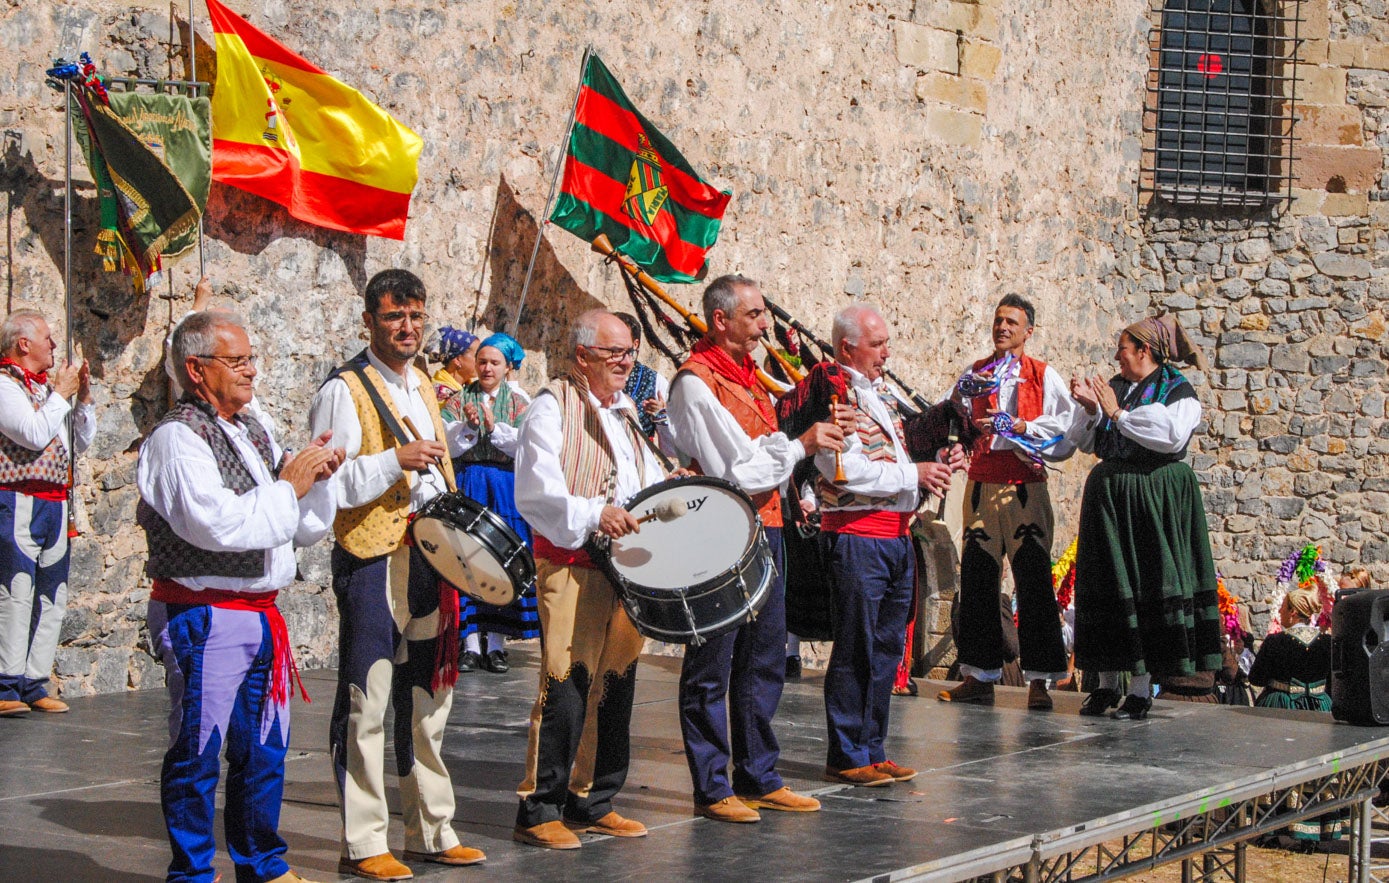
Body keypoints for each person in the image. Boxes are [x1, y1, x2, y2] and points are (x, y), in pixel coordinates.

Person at [138, 308, 343, 883]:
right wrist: (289, 486)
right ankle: (194, 872)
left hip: (258, 615)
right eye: (238, 360)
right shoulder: (178, 439)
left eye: (252, 358)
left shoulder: (251, 428)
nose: (252, 370)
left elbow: (293, 525)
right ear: (196, 369)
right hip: (205, 612)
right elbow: (217, 526)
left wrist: (314, 481)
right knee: (198, 752)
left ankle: (262, 864)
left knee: (263, 751)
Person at [309, 270, 483, 880]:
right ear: (369, 321)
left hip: (430, 555)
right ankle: (363, 842)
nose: (407, 328)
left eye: (415, 316)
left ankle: (432, 830)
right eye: (393, 317)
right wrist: (393, 460)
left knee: (429, 700)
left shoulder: (424, 387)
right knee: (368, 699)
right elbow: (327, 488)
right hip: (374, 556)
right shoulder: (343, 389)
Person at [666, 275, 844, 822]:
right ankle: (712, 783)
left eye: (763, 314)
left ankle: (759, 774)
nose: (765, 325)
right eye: (754, 315)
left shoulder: (747, 380)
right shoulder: (697, 383)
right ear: (720, 321)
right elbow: (736, 469)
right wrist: (800, 443)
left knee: (764, 656)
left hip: (763, 528)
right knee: (712, 662)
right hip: (718, 530)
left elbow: (764, 454)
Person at [511, 310, 668, 850]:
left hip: (628, 567)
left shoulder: (626, 413)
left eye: (630, 353)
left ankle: (593, 798)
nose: (627, 363)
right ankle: (540, 805)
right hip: (573, 562)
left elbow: (641, 481)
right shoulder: (550, 408)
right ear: (583, 357)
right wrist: (593, 513)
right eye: (614, 354)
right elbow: (536, 494)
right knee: (566, 683)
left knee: (614, 686)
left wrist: (673, 485)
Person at [815, 304, 959, 786]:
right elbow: (843, 469)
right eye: (876, 344)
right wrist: (912, 472)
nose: (886, 353)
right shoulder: (831, 394)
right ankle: (847, 752)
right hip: (858, 536)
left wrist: (935, 460)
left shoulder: (883, 396)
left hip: (895, 537)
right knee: (856, 647)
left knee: (885, 649)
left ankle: (873, 746)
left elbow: (895, 460)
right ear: (846, 348)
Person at [1068, 314, 1223, 721]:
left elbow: (1169, 436)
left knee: (1144, 584)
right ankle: (1103, 685)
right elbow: (1084, 440)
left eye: (1123, 348)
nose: (1117, 357)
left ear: (1144, 351)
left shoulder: (1178, 391)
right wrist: (1091, 410)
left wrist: (1116, 414)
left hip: (1153, 498)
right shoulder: (1115, 389)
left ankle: (1139, 690)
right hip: (1110, 497)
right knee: (1106, 583)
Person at [939, 294, 1077, 710]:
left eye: (1012, 322)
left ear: (1028, 331)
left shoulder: (1041, 375)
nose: (1002, 328)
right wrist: (958, 437)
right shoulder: (975, 373)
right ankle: (979, 676)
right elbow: (952, 414)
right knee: (979, 579)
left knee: (1032, 579)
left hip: (1023, 487)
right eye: (999, 321)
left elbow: (1065, 426)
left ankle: (1040, 681)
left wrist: (1021, 426)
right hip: (981, 485)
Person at [0, 309, 93, 717]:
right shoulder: (5, 387)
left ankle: (35, 681)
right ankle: (6, 683)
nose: (54, 345)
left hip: (55, 503)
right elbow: (33, 434)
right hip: (19, 499)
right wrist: (60, 394)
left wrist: (82, 399)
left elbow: (78, 442)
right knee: (17, 591)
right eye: (47, 338)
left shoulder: (45, 391)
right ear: (23, 344)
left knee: (52, 594)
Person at [441, 336, 537, 673]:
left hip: (503, 486)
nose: (486, 368)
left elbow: (524, 445)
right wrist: (467, 426)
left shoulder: (519, 402)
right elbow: (447, 444)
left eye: (494, 362)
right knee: (467, 558)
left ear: (507, 367)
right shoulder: (458, 399)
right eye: (482, 361)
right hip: (471, 483)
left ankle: (496, 644)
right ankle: (469, 643)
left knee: (501, 561)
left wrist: (494, 427)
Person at [1250, 588, 1332, 712]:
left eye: (1283, 607)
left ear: (1293, 612)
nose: (1279, 611)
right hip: (1319, 704)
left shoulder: (1275, 641)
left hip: (1281, 705)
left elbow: (1256, 678)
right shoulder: (1328, 642)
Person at [615, 311, 679, 455]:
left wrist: (661, 414)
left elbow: (673, 450)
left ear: (635, 344)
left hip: (639, 464)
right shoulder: (596, 376)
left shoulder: (655, 382)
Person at [423, 325, 479, 403]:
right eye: (476, 355)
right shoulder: (443, 396)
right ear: (457, 360)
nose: (481, 360)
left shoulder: (468, 388)